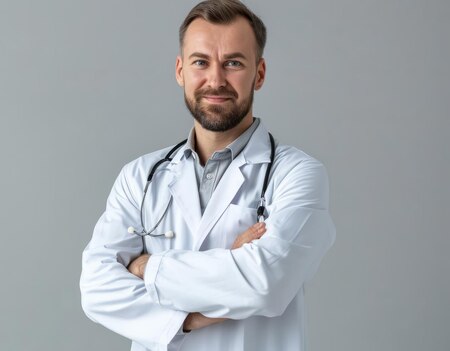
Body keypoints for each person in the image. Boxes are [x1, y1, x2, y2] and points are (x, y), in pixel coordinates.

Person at [80, 1, 336, 350]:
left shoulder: (297, 175)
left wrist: (147, 268)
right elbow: (96, 289)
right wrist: (193, 318)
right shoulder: (140, 177)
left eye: (233, 63)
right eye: (201, 62)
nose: (215, 80)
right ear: (180, 70)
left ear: (259, 74)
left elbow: (265, 284)